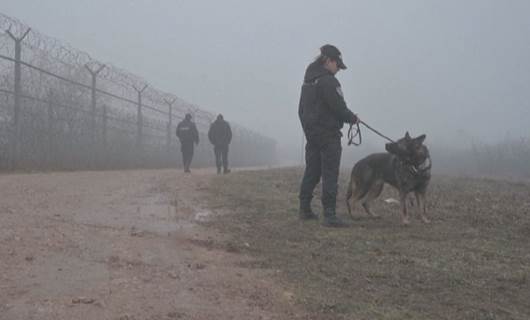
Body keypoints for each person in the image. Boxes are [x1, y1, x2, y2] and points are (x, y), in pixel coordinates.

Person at [298, 44, 360, 227]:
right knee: (330, 174)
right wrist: (352, 118)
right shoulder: (328, 81)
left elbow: (301, 110)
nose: (338, 69)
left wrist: (309, 131)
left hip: (312, 135)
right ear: (328, 61)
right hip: (328, 135)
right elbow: (339, 108)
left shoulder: (308, 82)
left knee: (312, 172)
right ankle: (330, 215)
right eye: (337, 65)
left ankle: (304, 209)